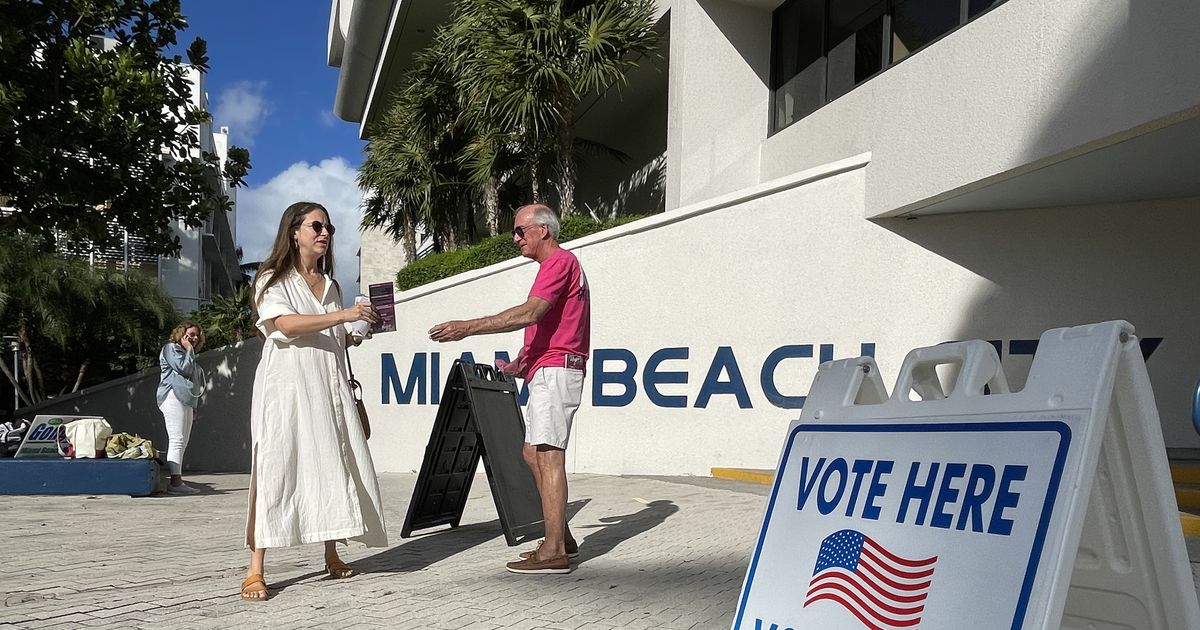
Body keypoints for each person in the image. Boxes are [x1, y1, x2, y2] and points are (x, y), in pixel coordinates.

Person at [430, 203, 590, 574]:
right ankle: (560, 538)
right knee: (532, 453)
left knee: (547, 455)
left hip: (555, 370)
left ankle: (554, 552)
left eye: (520, 231)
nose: (515, 238)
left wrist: (467, 326)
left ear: (544, 231)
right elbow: (548, 322)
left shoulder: (558, 263)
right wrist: (522, 362)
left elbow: (531, 312)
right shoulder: (558, 266)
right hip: (546, 368)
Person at [240, 201, 387, 602]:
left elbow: (335, 336)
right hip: (286, 388)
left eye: (329, 227)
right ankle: (256, 568)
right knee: (277, 465)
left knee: (332, 461)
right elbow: (284, 324)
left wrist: (358, 329)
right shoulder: (271, 278)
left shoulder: (333, 285)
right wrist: (342, 316)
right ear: (294, 231)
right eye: (316, 225)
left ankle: (331, 551)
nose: (325, 233)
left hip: (329, 385)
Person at [157, 322, 206, 494]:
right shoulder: (171, 348)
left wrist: (194, 407)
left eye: (197, 335)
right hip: (172, 396)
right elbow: (183, 369)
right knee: (177, 439)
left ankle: (177, 480)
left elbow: (194, 384)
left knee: (183, 441)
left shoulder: (187, 353)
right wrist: (189, 350)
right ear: (181, 334)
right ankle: (175, 483)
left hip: (186, 400)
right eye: (191, 334)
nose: (194, 338)